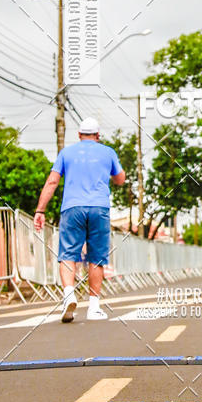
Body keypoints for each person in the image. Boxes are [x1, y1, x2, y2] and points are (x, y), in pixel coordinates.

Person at [34, 116, 125, 323]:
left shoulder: (66, 153)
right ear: (98, 135)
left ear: (79, 135)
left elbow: (52, 182)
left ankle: (69, 296)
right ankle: (94, 307)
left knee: (68, 254)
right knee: (97, 257)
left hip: (72, 208)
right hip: (99, 208)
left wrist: (40, 210)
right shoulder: (108, 152)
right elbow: (120, 179)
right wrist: (111, 172)